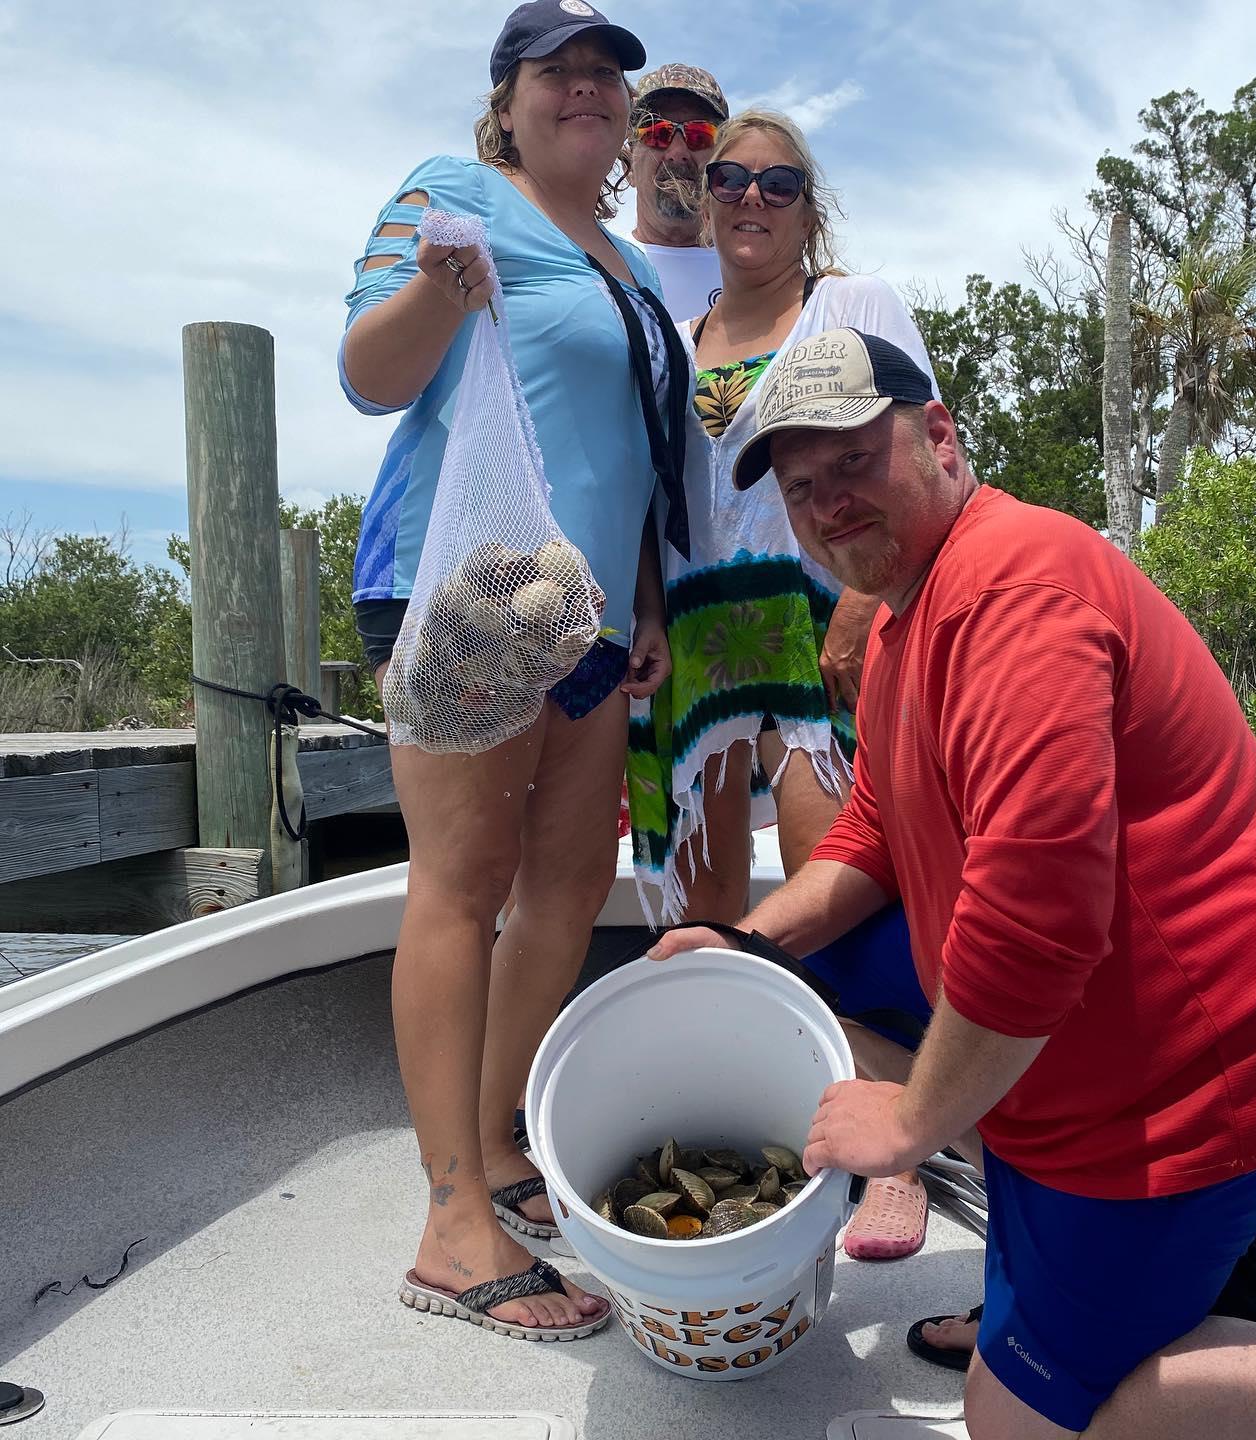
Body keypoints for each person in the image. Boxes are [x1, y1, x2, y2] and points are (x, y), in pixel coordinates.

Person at [649, 329, 1256, 1437]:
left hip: (1204, 1071)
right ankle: (1061, 1261)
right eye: (802, 489)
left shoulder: (1015, 592)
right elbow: (876, 826)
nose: (829, 505)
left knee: (1008, 1420)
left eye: (855, 464)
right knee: (793, 972)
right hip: (1090, 1037)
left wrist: (912, 1124)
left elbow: (1033, 928)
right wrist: (745, 947)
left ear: (940, 437)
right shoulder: (900, 625)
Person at [341, 0, 685, 1343]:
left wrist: (647, 598)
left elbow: (637, 450)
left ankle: (492, 1146)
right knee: (465, 885)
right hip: (468, 586)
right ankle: (447, 1226)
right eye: (562, 71)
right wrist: (441, 283)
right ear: (509, 97)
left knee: (568, 886)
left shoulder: (637, 266)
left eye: (609, 74)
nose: (589, 89)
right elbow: (370, 375)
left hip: (588, 611)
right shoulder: (452, 195)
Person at [628, 111, 935, 959]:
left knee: (831, 878)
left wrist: (862, 609)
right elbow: (654, 505)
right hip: (696, 635)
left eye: (779, 183)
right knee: (702, 911)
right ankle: (723, 1068)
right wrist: (648, 617)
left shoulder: (850, 304)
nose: (751, 195)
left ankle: (843, 1064)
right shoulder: (673, 342)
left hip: (815, 625)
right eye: (730, 179)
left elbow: (928, 461)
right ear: (709, 200)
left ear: (808, 211)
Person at [628, 63, 728, 321]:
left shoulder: (757, 273)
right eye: (657, 134)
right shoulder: (593, 265)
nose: (678, 154)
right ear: (629, 164)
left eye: (699, 135)